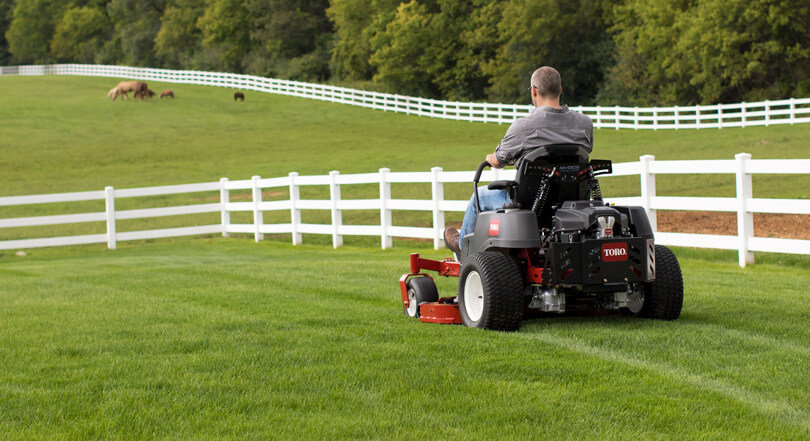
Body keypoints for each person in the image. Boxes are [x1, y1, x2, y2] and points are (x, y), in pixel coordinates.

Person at [444, 66, 594, 254]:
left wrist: (492, 158)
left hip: (529, 203)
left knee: (480, 196)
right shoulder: (585, 124)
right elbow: (582, 152)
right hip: (571, 200)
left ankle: (462, 246)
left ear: (533, 91)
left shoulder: (524, 126)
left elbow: (499, 160)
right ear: (560, 90)